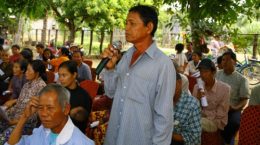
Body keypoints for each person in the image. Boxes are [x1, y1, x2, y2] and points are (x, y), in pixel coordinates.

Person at [102, 5, 175, 145]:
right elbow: (111, 93)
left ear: (149, 27)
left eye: (132, 23)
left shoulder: (163, 65)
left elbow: (164, 117)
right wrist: (110, 70)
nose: (126, 28)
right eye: (126, 23)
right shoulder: (125, 57)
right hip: (114, 138)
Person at [5, 83, 94, 145]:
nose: (43, 114)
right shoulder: (41, 131)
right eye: (40, 108)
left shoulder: (81, 142)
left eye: (50, 108)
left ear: (66, 109)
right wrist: (24, 116)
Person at [0, 60, 47, 144]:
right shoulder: (27, 85)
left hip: (25, 125)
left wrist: (15, 121)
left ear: (37, 73)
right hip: (13, 119)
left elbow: (34, 115)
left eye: (29, 70)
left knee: (2, 138)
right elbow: (19, 104)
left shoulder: (42, 88)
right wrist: (6, 113)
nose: (26, 72)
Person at [193, 58, 230, 145]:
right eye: (201, 72)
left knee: (194, 124)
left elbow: (221, 114)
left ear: (213, 72)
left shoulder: (224, 89)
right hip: (200, 118)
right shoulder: (197, 87)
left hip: (216, 121)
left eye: (205, 71)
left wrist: (205, 115)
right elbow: (193, 111)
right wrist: (197, 100)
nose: (202, 75)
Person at [216, 51, 250, 144]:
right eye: (223, 60)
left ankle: (225, 141)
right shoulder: (216, 74)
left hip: (232, 109)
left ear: (234, 61)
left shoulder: (242, 79)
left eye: (228, 60)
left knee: (234, 123)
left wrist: (234, 108)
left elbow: (244, 100)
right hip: (216, 107)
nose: (224, 62)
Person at [58, 61, 92, 133]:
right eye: (59, 75)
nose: (60, 79)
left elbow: (83, 122)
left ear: (74, 75)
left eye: (64, 75)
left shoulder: (84, 96)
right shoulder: (58, 92)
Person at [171, 72, 201, 145]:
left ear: (179, 83)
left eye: (169, 83)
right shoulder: (161, 101)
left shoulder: (192, 104)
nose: (166, 88)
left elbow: (194, 138)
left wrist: (169, 135)